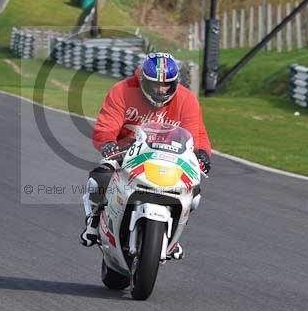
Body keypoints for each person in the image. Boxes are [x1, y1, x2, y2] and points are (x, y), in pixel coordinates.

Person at [80, 52, 212, 260]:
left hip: (170, 156)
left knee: (194, 192)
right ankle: (94, 221)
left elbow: (196, 133)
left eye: (167, 85)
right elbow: (106, 124)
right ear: (142, 80)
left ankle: (174, 238)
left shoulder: (187, 99)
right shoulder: (122, 91)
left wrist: (202, 154)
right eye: (155, 84)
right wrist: (107, 144)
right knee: (99, 178)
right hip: (127, 152)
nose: (161, 90)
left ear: (175, 83)